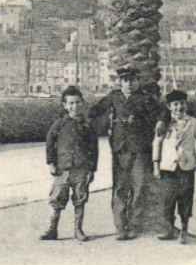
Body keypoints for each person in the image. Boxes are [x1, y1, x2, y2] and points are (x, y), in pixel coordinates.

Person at [91, 68, 163, 240]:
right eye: (125, 80)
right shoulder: (114, 97)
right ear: (120, 82)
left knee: (138, 187)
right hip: (120, 148)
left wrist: (160, 121)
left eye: (132, 80)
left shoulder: (145, 98)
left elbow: (162, 111)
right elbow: (95, 110)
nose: (129, 84)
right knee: (120, 187)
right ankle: (119, 225)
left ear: (138, 81)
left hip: (139, 148)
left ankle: (133, 224)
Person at [41, 84, 96, 242]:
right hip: (62, 169)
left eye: (77, 102)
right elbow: (50, 143)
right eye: (71, 103)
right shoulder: (59, 125)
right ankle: (52, 229)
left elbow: (94, 148)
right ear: (65, 105)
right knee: (56, 199)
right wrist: (51, 162)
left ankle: (78, 229)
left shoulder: (87, 126)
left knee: (80, 199)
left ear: (82, 103)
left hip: (81, 169)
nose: (74, 106)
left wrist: (91, 169)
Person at [152, 89, 196, 243]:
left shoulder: (193, 122)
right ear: (169, 106)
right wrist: (156, 164)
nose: (179, 107)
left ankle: (184, 230)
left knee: (185, 199)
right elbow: (157, 143)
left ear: (186, 105)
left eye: (182, 103)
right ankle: (168, 229)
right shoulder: (163, 123)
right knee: (167, 199)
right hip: (168, 167)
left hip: (186, 166)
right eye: (175, 104)